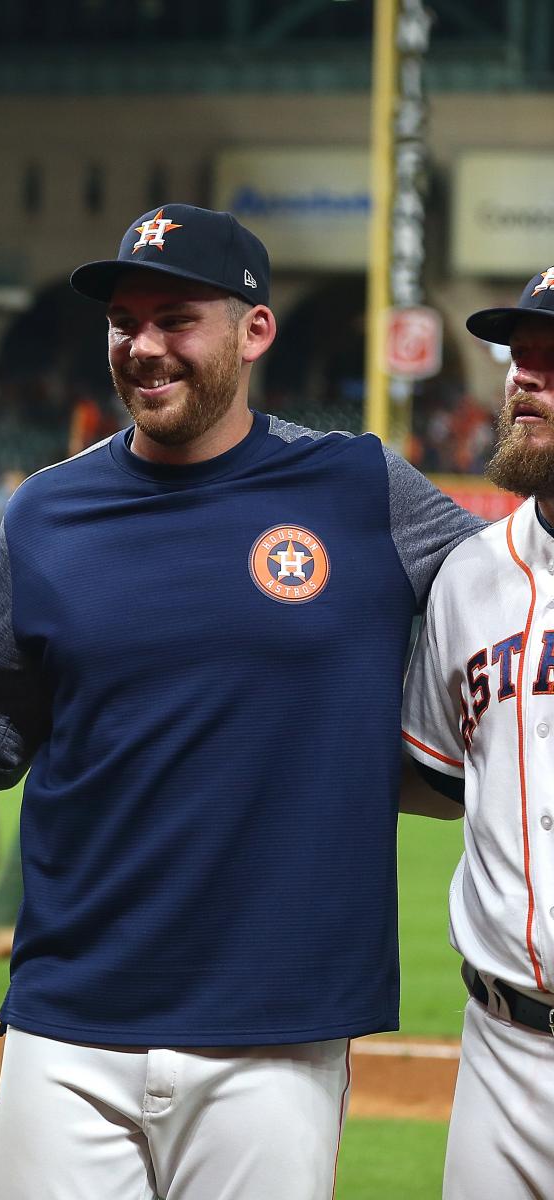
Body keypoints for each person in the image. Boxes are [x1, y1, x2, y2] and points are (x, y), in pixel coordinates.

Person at [0, 204, 484, 1200]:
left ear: (254, 331)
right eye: (124, 321)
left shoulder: (362, 489)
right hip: (70, 1018)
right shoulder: (49, 510)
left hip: (279, 1024)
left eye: (176, 319)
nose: (142, 347)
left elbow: (516, 591)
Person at [403, 267, 554, 1200]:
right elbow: (437, 778)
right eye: (522, 353)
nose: (524, 377)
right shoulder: (470, 576)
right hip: (501, 1050)